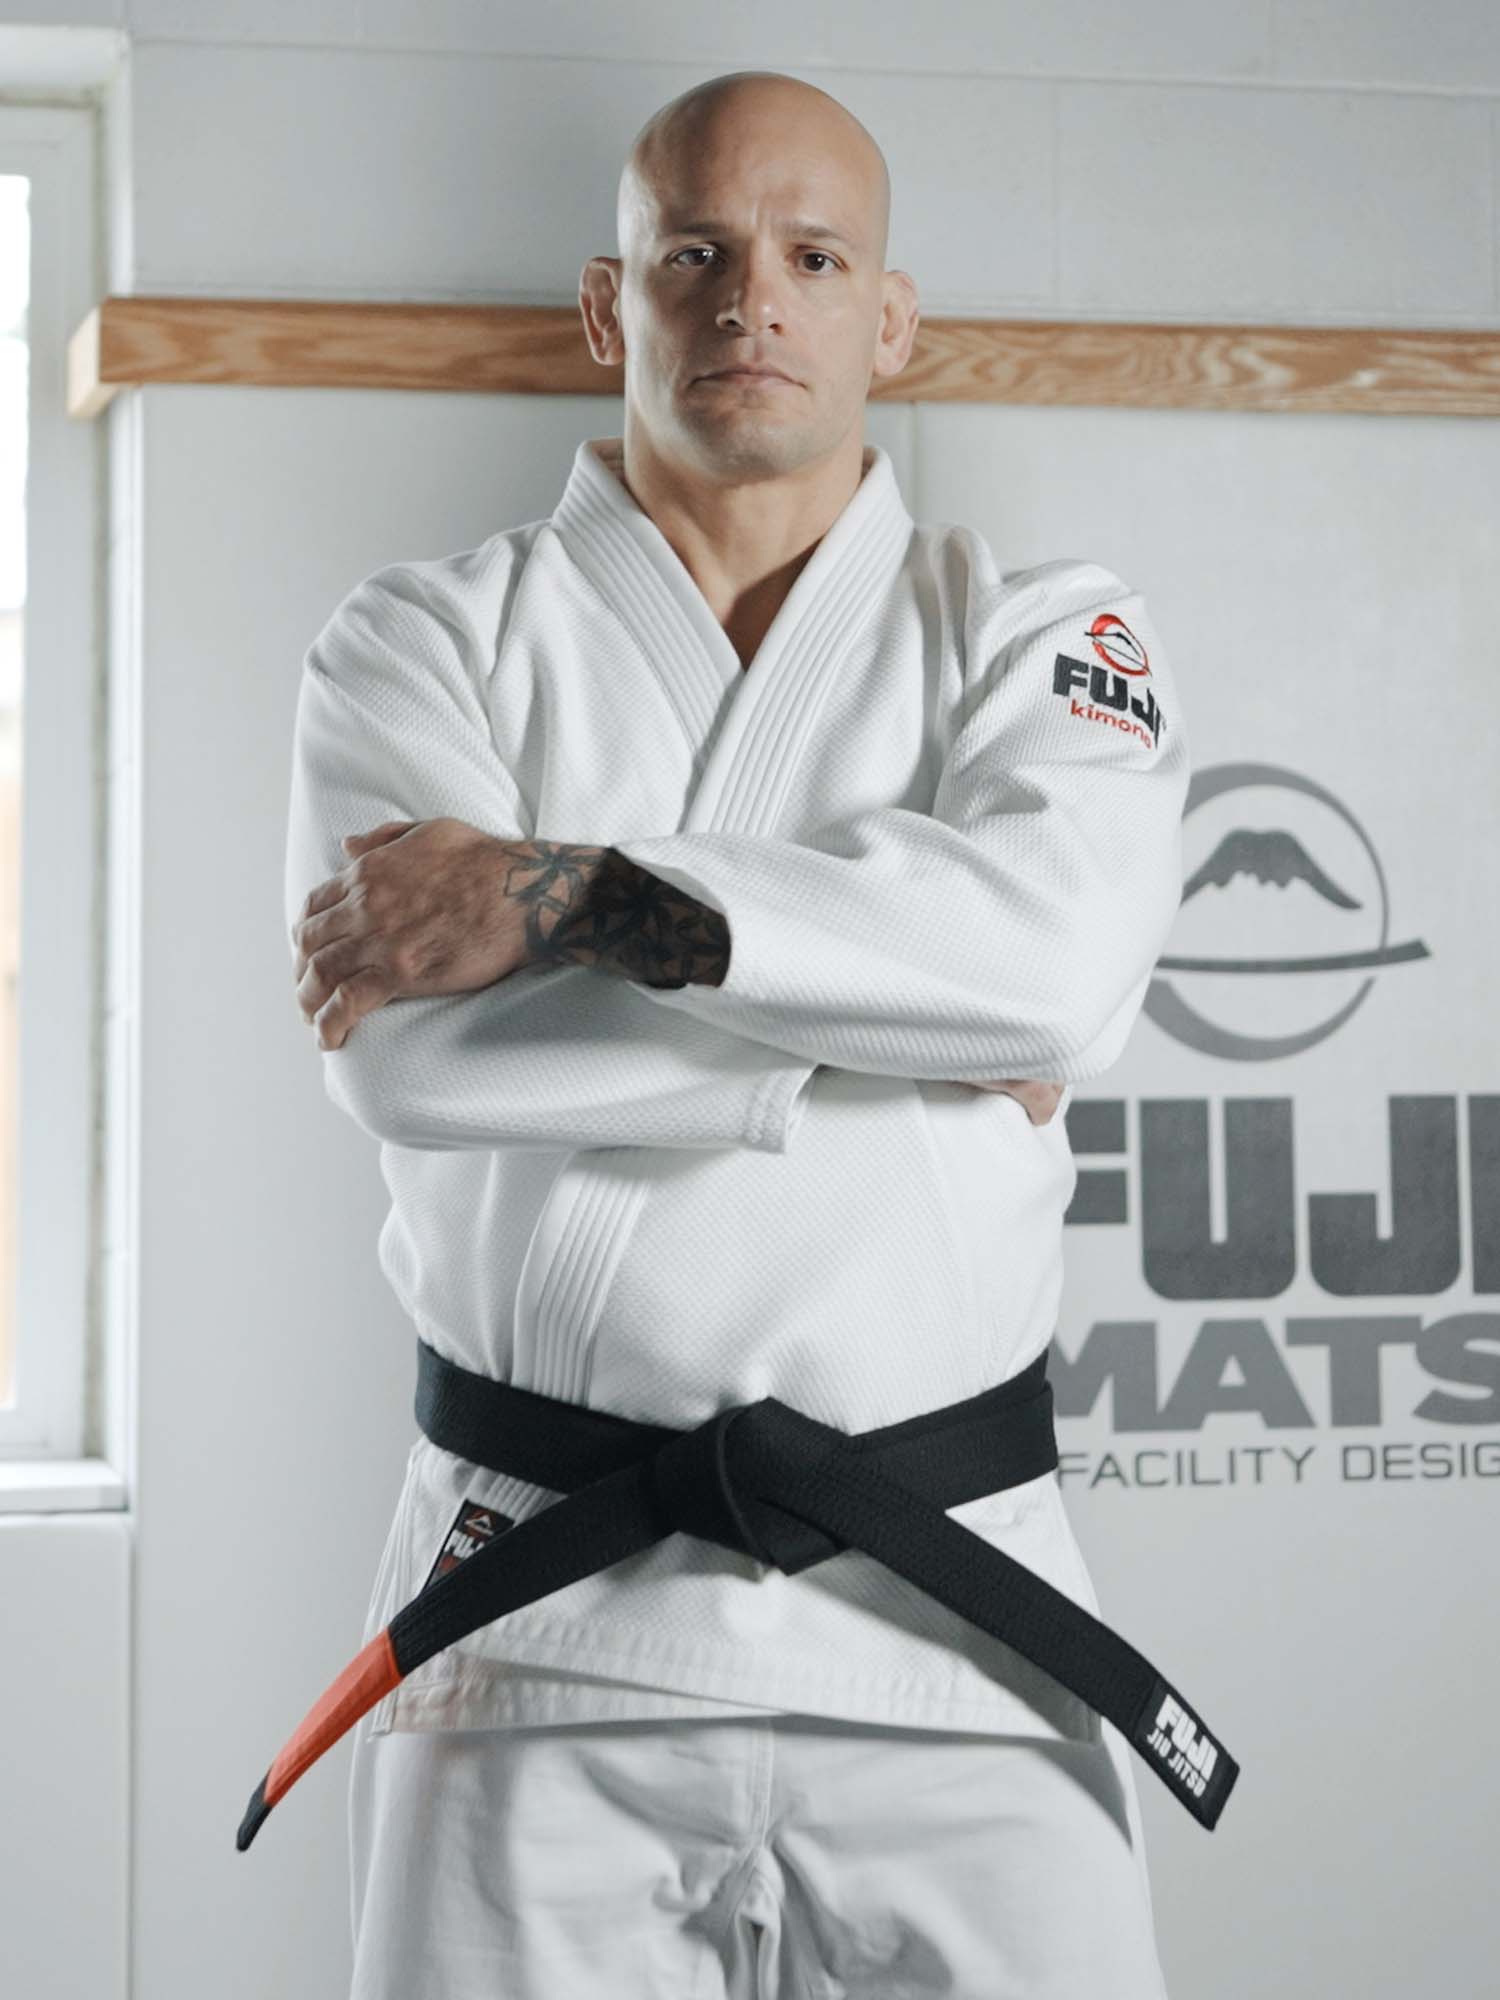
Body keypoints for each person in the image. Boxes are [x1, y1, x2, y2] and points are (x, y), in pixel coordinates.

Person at [283, 66, 1191, 1999]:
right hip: (539, 1608)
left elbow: (1051, 975)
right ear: (614, 306)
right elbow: (417, 1067)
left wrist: (562, 898)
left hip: (954, 1614)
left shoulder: (1039, 633)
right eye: (693, 252)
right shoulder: (419, 645)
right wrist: (905, 1032)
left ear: (891, 315)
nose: (750, 299)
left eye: (810, 255)